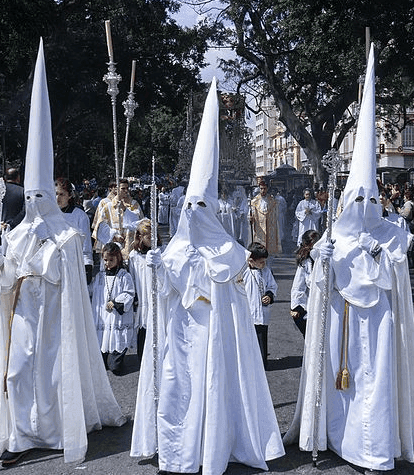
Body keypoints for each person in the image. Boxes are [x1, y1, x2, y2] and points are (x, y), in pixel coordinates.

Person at [130, 78, 284, 475]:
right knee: (179, 387)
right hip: (181, 336)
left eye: (203, 204)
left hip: (213, 336)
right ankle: (176, 449)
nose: (196, 211)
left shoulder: (229, 250)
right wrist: (154, 268)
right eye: (191, 205)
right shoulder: (175, 248)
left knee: (212, 386)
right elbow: (163, 293)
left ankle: (215, 443)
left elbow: (234, 284)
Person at [0, 40, 125, 467]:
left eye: (44, 195)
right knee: (18, 372)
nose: (38, 201)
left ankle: (60, 429)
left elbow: (65, 275)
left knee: (54, 373)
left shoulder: (66, 236)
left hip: (56, 319)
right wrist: (0, 262)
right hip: (24, 315)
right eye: (32, 195)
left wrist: (46, 257)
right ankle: (21, 434)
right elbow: (11, 276)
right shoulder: (17, 231)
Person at [284, 45, 414, 472]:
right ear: (345, 200)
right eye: (355, 197)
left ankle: (373, 448)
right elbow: (319, 287)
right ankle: (335, 437)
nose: (363, 204)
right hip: (341, 324)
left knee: (374, 383)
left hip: (378, 323)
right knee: (341, 383)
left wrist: (387, 256)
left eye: (370, 197)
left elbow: (400, 276)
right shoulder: (333, 235)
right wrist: (322, 261)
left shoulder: (392, 232)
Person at [91, 242, 135, 374]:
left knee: (115, 368)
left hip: (117, 317)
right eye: (105, 260)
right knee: (102, 365)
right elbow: (94, 294)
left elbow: (129, 293)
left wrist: (116, 302)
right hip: (104, 318)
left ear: (118, 259)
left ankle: (118, 356)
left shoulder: (124, 276)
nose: (107, 263)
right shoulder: (99, 277)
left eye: (111, 260)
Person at [242, 241, 277, 367]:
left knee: (261, 338)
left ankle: (262, 363)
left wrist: (269, 295)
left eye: (265, 261)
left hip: (262, 312)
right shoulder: (243, 272)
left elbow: (272, 286)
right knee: (247, 339)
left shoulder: (266, 271)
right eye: (261, 262)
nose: (264, 264)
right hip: (248, 312)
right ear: (251, 260)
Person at [128, 219, 158, 365]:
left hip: (157, 298)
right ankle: (142, 361)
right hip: (143, 299)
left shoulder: (160, 252)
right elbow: (133, 277)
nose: (152, 238)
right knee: (143, 330)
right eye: (148, 236)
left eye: (154, 235)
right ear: (140, 237)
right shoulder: (134, 256)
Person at [93, 178, 144, 262]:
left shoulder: (134, 204)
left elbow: (139, 222)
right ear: (116, 189)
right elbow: (100, 226)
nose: (126, 191)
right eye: (123, 188)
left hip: (129, 244)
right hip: (112, 244)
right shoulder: (107, 205)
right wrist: (113, 235)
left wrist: (125, 210)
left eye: (127, 188)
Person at [56, 177, 93, 283]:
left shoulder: (79, 216)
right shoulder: (48, 215)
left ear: (70, 195)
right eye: (56, 194)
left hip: (72, 265)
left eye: (62, 194)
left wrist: (87, 265)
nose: (57, 197)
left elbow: (85, 244)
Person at [290, 229, 321, 337]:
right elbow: (298, 285)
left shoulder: (325, 259)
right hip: (312, 303)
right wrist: (297, 306)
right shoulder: (305, 262)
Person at [250, 180, 281, 256]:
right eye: (261, 188)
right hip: (259, 227)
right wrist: (251, 219)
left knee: (270, 253)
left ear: (267, 189)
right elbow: (252, 213)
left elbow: (275, 214)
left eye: (264, 188)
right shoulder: (255, 201)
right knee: (260, 248)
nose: (263, 191)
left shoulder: (272, 200)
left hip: (270, 226)